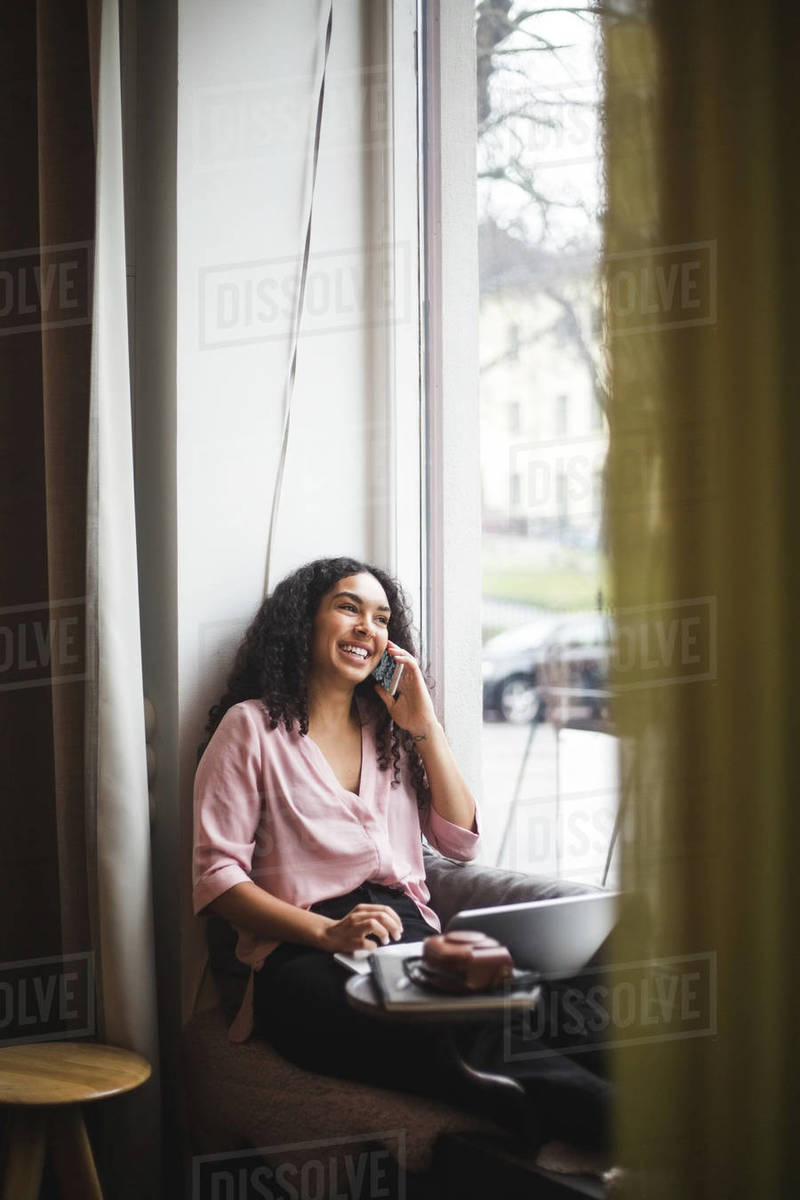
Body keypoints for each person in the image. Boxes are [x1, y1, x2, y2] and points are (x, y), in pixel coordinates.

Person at [192, 556, 613, 1158]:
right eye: (348, 607)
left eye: (381, 617)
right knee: (460, 1030)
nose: (368, 626)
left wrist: (425, 725)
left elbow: (459, 840)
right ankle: (618, 1128)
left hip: (413, 942)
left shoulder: (388, 730)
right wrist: (329, 931)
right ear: (301, 624)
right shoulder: (250, 729)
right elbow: (214, 880)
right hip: (304, 959)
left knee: (561, 1002)